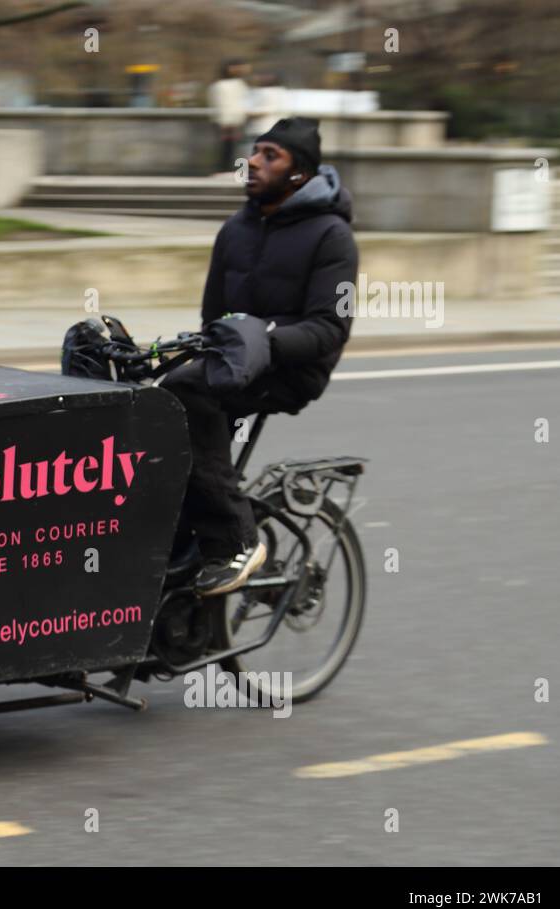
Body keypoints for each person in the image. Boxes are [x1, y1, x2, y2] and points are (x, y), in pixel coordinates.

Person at [163, 117, 359, 596]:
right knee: (150, 398)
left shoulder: (331, 235)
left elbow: (331, 327)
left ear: (300, 174)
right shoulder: (236, 229)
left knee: (189, 393)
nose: (252, 161)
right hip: (233, 362)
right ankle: (173, 543)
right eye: (255, 151)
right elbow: (213, 316)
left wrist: (263, 340)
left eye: (270, 155)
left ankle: (235, 541)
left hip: (292, 371)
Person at [208, 61, 249, 174]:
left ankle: (233, 169)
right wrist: (225, 121)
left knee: (235, 147)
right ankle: (224, 169)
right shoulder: (220, 85)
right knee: (226, 147)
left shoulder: (240, 84)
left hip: (237, 120)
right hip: (226, 121)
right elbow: (221, 104)